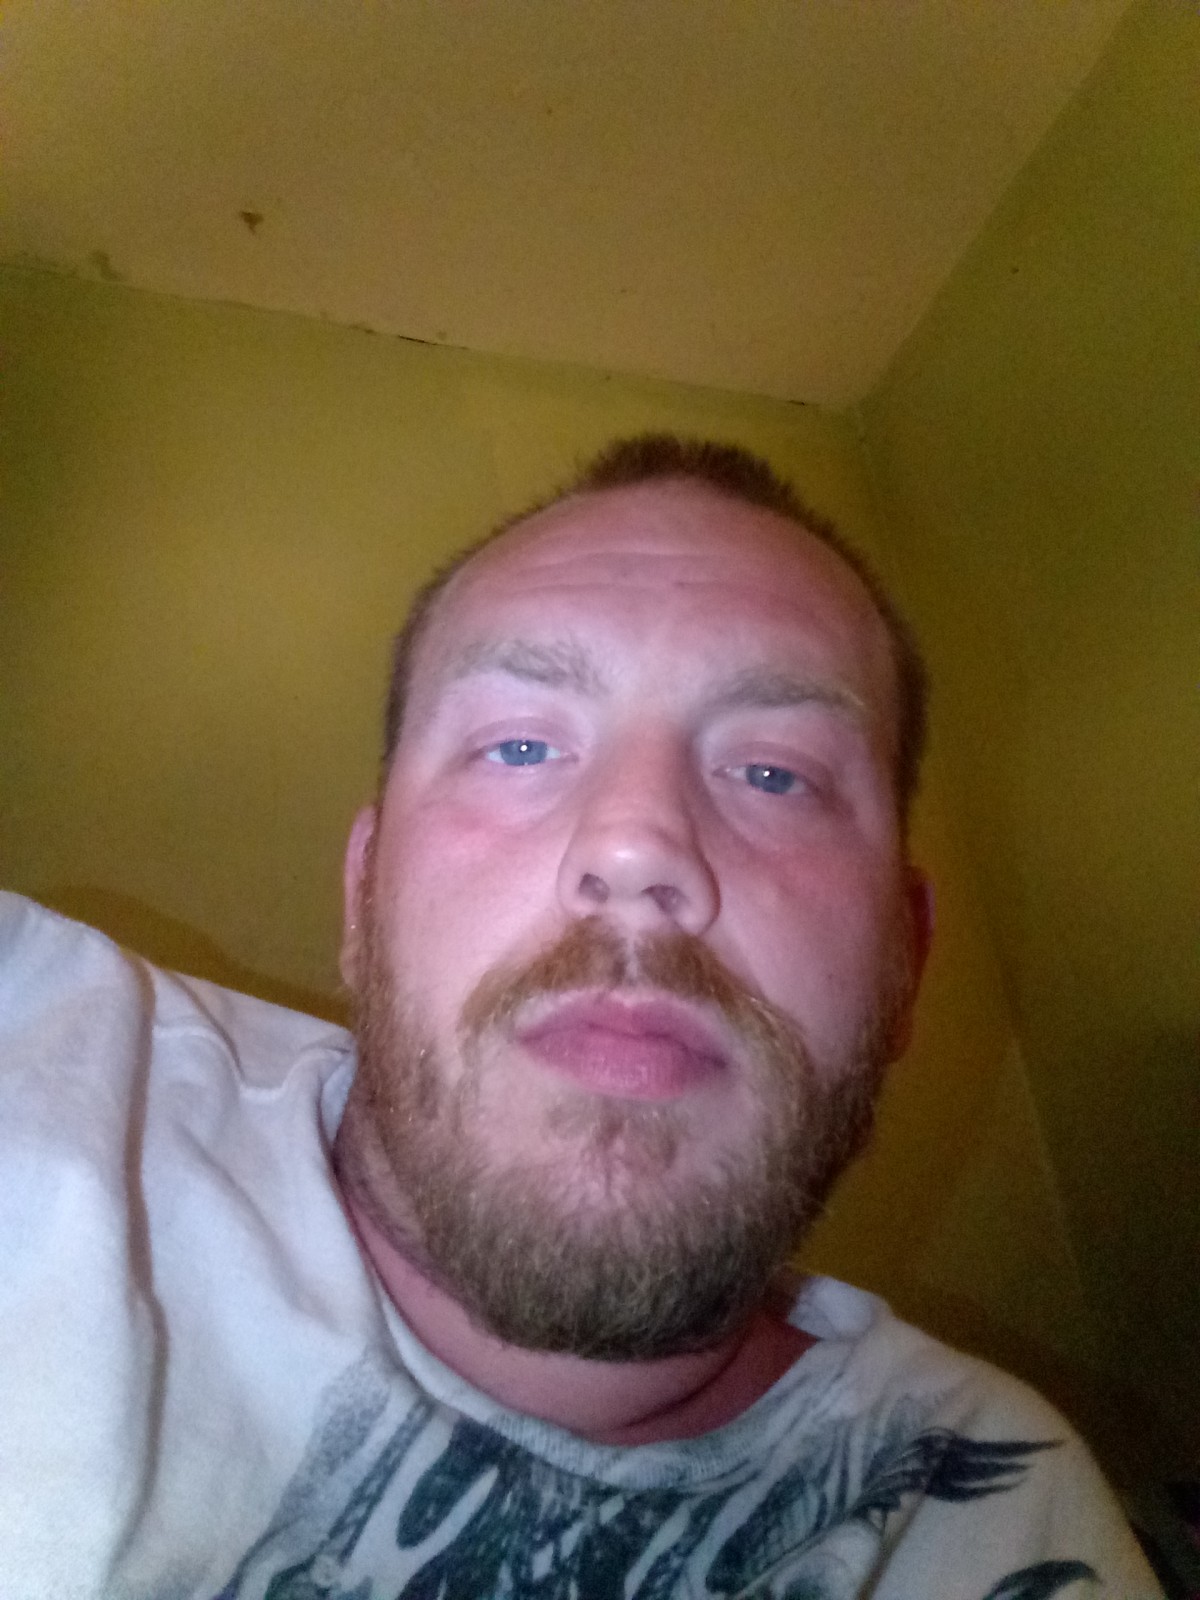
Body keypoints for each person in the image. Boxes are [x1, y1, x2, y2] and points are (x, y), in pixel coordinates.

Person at [0, 436, 1159, 1599]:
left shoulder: (996, 1516)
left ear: (905, 959)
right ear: (363, 892)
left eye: (775, 773)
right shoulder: (43, 1070)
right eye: (517, 745)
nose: (636, 847)